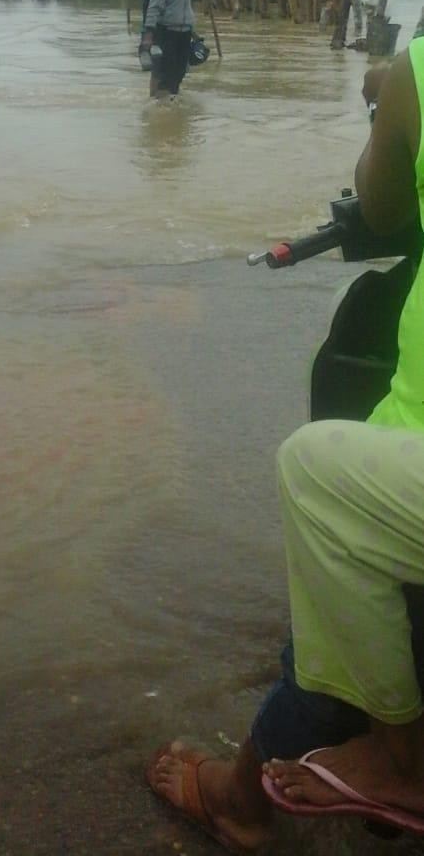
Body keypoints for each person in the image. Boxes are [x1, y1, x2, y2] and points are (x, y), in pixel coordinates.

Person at [147, 49, 424, 847]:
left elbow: (381, 200)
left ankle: (249, 793)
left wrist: (386, 97)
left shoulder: (415, 74)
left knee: (322, 501)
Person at [142, 0, 207, 99]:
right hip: (166, 33)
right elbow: (154, 7)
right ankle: (156, 106)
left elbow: (184, 8)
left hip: (184, 34)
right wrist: (148, 36)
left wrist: (193, 33)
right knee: (161, 73)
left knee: (178, 74)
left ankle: (169, 106)